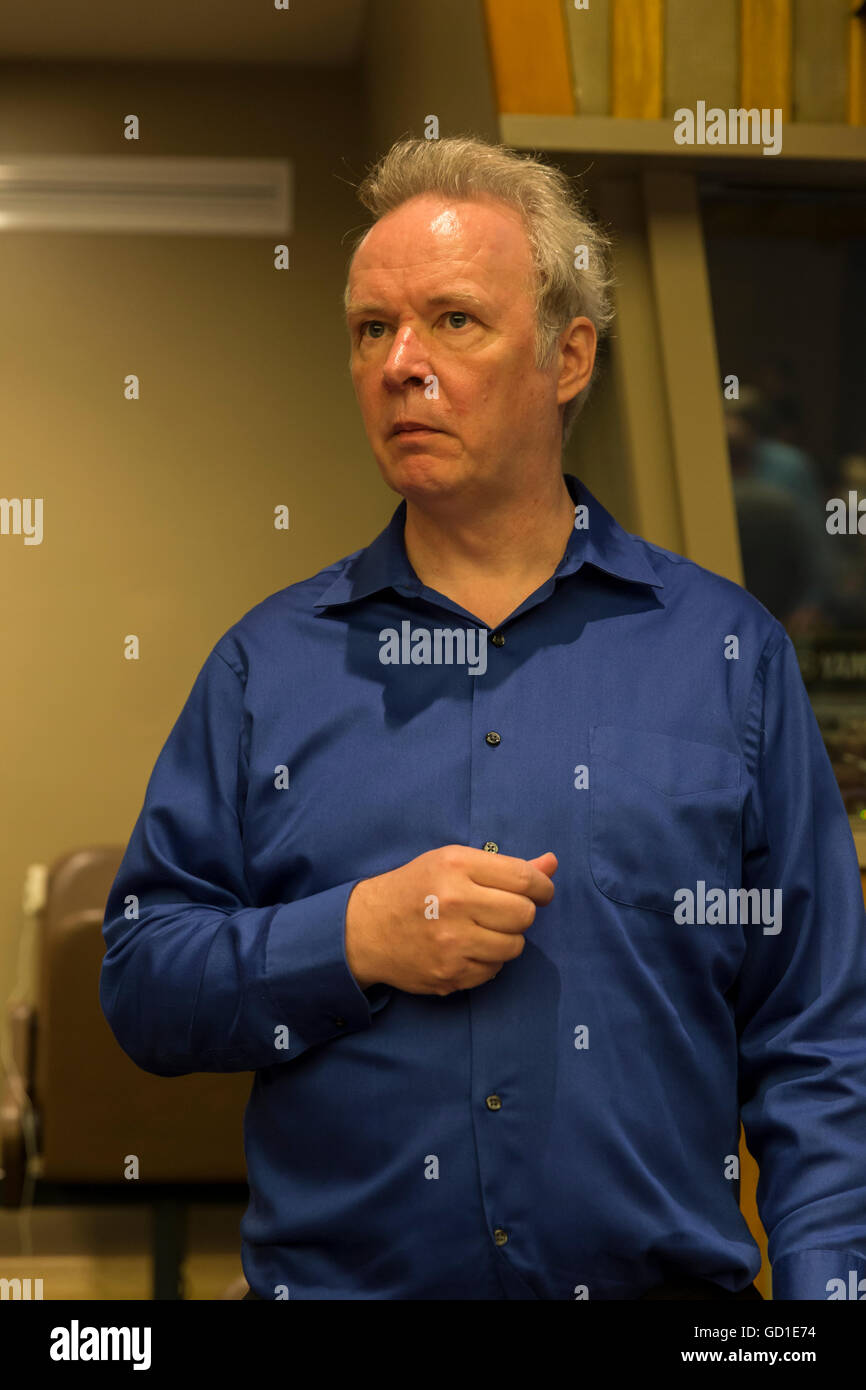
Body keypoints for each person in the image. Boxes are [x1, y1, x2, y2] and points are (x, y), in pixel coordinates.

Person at [100, 135, 866, 1301]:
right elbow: (145, 982)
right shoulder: (266, 666)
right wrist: (352, 936)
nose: (401, 363)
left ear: (567, 357)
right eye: (372, 328)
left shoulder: (727, 655)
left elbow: (818, 1041)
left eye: (452, 320)